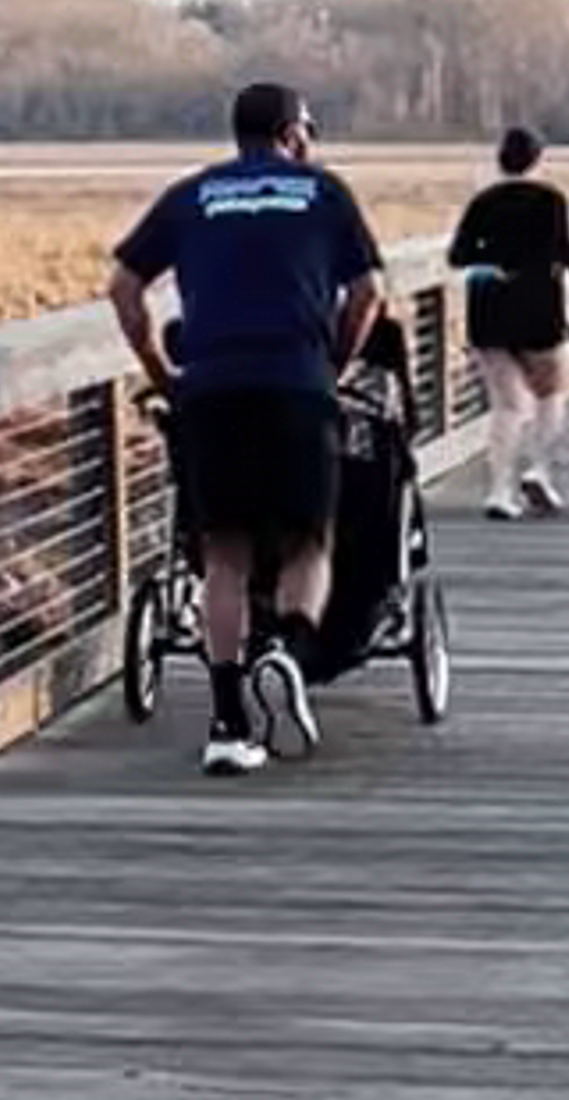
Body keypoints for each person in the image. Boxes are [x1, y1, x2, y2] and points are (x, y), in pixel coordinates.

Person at [109, 80, 386, 774]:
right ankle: (286, 652)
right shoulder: (322, 192)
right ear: (294, 133)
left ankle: (228, 721)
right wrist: (333, 360)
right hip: (297, 382)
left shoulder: (193, 194)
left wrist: (158, 366)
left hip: (209, 389)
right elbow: (369, 292)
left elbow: (122, 284)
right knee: (307, 541)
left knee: (223, 553)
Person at [444, 125, 569, 515]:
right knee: (551, 393)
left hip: (489, 313)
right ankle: (537, 468)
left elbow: (458, 256)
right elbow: (564, 250)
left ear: (500, 160)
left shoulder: (483, 203)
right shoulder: (551, 201)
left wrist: (491, 265)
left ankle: (499, 491)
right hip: (539, 310)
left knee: (507, 406)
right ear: (537, 160)